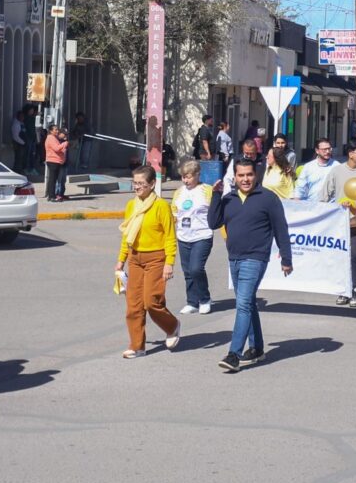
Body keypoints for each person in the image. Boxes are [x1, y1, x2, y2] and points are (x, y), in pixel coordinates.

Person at [208, 159, 292, 372]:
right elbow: (213, 222)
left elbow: (281, 229)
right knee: (249, 303)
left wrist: (286, 258)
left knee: (243, 304)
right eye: (241, 175)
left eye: (249, 175)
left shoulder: (268, 198)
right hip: (234, 257)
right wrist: (216, 195)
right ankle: (257, 348)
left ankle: (234, 354)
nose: (245, 179)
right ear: (234, 177)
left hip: (256, 258)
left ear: (256, 176)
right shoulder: (229, 199)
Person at [114, 165, 181, 359]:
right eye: (135, 183)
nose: (137, 187)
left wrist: (169, 263)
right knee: (133, 304)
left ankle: (172, 325)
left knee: (152, 301)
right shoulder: (131, 205)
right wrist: (121, 260)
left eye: (141, 183)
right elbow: (127, 236)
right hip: (135, 258)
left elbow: (170, 236)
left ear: (152, 184)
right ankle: (137, 346)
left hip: (156, 258)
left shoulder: (161, 206)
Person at [322, 140, 356, 307]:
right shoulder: (336, 171)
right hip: (340, 223)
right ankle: (344, 290)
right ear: (350, 154)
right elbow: (324, 196)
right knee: (341, 257)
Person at [171, 160, 214, 315]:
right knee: (188, 271)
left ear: (197, 175)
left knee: (196, 268)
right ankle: (192, 301)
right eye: (183, 177)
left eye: (188, 177)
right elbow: (175, 214)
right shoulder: (179, 192)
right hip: (183, 236)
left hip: (202, 235)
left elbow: (216, 213)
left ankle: (205, 299)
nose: (185, 180)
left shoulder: (207, 190)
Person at [44, 124, 68, 202]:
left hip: (57, 161)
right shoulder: (51, 138)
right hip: (52, 161)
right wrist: (64, 144)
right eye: (55, 130)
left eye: (57, 129)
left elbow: (58, 149)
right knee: (52, 179)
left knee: (54, 179)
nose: (57, 131)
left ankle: (53, 195)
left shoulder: (54, 138)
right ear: (51, 131)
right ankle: (51, 196)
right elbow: (56, 148)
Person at [11, 110, 27, 174]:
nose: (23, 118)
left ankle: (19, 170)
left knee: (21, 158)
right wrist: (23, 143)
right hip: (18, 144)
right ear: (18, 116)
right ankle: (17, 171)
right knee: (18, 158)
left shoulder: (21, 123)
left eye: (23, 116)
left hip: (22, 143)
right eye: (21, 116)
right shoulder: (16, 124)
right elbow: (15, 136)